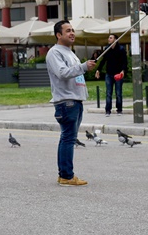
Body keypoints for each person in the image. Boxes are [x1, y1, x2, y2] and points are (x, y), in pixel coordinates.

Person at [46, 20, 96, 186]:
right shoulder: (54, 53)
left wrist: (85, 69)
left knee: (68, 138)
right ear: (58, 35)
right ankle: (67, 176)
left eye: (73, 30)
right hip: (66, 102)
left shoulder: (69, 53)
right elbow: (62, 73)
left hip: (75, 100)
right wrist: (82, 67)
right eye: (68, 31)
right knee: (68, 138)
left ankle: (64, 174)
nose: (72, 33)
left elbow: (76, 73)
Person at [94, 34, 126, 116]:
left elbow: (124, 61)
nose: (108, 39)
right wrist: (98, 70)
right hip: (109, 74)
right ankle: (108, 110)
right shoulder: (107, 49)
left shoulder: (121, 49)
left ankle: (119, 110)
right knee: (109, 93)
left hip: (118, 73)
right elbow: (103, 60)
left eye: (110, 38)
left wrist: (123, 70)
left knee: (118, 93)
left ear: (115, 39)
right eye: (108, 37)